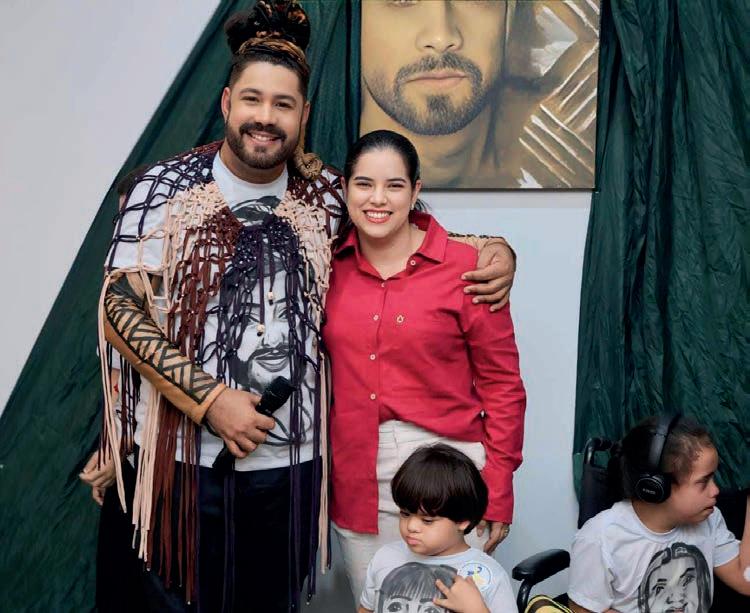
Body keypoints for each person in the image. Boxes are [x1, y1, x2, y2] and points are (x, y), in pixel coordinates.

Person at [93, 2, 517, 611]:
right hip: (179, 461)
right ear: (227, 103)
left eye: (283, 104)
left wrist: (495, 248)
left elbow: (400, 231)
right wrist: (210, 400)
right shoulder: (160, 188)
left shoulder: (324, 195)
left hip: (290, 469)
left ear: (304, 115)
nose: (266, 118)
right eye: (252, 100)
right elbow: (119, 308)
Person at [323, 129, 526, 602]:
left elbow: (503, 386)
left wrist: (498, 487)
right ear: (345, 189)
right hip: (358, 476)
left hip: (450, 478)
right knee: (379, 604)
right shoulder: (326, 265)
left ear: (415, 190)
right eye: (364, 184)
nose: (378, 199)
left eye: (394, 185)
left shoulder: (469, 268)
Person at [568, 415, 750, 613]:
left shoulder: (710, 519)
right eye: (703, 482)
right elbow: (582, 610)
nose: (715, 490)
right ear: (656, 487)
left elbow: (746, 580)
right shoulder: (599, 539)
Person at [358, 444, 517, 613]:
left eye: (427, 520)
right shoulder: (385, 557)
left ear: (462, 520)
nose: (411, 526)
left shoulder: (489, 574)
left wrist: (476, 610)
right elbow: (366, 609)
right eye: (405, 514)